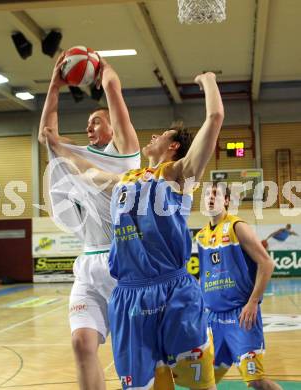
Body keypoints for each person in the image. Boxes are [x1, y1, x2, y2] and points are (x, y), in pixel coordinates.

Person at [43, 71, 224, 390]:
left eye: (161, 135)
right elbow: (87, 171)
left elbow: (215, 117)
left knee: (199, 385)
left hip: (173, 288)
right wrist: (57, 146)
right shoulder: (126, 180)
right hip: (130, 293)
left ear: (174, 145)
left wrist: (207, 80)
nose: (152, 137)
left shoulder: (180, 175)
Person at [38, 53, 140, 390]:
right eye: (88, 123)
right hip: (89, 261)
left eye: (96, 120)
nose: (89, 126)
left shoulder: (126, 151)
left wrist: (100, 66)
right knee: (81, 344)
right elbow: (47, 134)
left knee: (137, 357)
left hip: (126, 264)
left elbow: (114, 91)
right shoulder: (78, 156)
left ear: (112, 126)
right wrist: (55, 84)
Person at [196, 182, 283, 390]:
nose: (210, 197)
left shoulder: (237, 226)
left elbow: (266, 263)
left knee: (256, 381)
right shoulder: (200, 236)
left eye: (215, 194)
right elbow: (205, 276)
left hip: (241, 316)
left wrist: (253, 302)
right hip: (212, 319)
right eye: (206, 193)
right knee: (203, 380)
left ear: (226, 200)